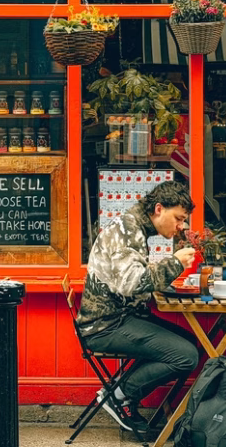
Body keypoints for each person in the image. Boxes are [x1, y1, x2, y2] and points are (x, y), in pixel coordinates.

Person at [76, 180, 199, 433]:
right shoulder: (128, 231)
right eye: (178, 218)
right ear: (158, 209)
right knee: (186, 356)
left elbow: (130, 276)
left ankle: (122, 392)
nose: (181, 226)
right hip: (105, 326)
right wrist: (174, 264)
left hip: (117, 318)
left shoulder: (132, 226)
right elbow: (131, 284)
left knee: (190, 342)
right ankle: (119, 396)